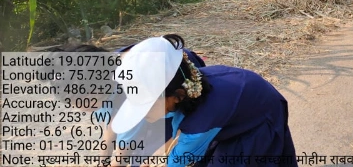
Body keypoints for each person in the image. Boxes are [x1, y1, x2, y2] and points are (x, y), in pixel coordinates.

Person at [111, 35, 297, 167]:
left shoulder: (200, 123)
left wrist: (163, 160)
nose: (141, 114)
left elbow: (177, 160)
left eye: (146, 106)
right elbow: (175, 140)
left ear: (178, 96)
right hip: (234, 108)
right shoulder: (180, 79)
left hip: (259, 116)